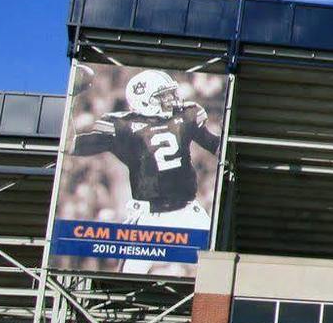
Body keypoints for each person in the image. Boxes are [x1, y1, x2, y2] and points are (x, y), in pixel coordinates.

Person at [69, 69, 220, 272]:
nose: (171, 99)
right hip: (149, 217)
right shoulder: (123, 126)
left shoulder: (186, 115)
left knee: (218, 264)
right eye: (162, 96)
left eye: (170, 93)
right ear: (144, 101)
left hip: (187, 210)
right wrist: (72, 101)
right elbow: (72, 145)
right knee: (128, 277)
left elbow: (216, 146)